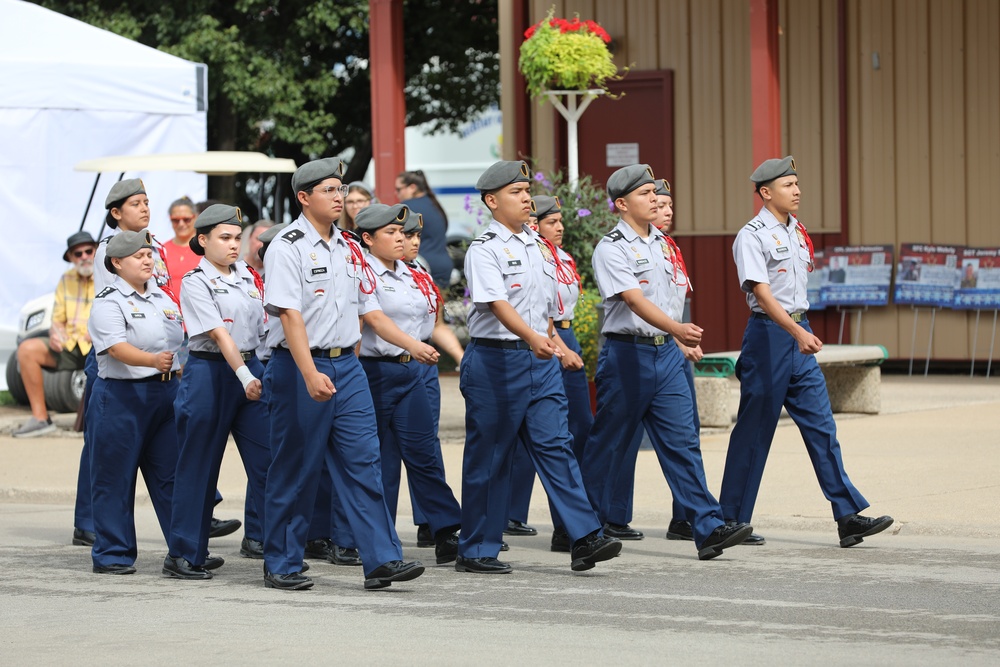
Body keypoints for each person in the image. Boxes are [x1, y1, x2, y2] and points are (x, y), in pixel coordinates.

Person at [261, 157, 424, 591]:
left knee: (363, 461)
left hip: (348, 367)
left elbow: (370, 310)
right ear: (303, 197)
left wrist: (413, 345)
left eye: (340, 189)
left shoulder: (350, 246)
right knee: (296, 467)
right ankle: (281, 561)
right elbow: (290, 316)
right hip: (299, 365)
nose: (338, 197)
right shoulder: (287, 246)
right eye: (329, 190)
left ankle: (381, 560)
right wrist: (310, 372)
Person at [580, 164, 753, 561]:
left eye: (653, 192)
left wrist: (675, 338)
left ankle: (707, 526)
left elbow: (669, 296)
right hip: (628, 354)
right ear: (621, 204)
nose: (655, 199)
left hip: (666, 355)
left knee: (682, 441)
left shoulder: (663, 243)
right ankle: (581, 527)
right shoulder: (612, 247)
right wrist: (678, 328)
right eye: (644, 194)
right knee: (610, 444)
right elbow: (634, 301)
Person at [719, 156, 894, 547]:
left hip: (799, 331)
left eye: (797, 183)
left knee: (822, 425)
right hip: (769, 337)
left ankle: (847, 515)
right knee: (755, 430)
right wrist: (796, 330)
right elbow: (760, 293)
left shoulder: (796, 230)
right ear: (766, 193)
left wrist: (801, 329)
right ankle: (730, 519)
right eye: (788, 185)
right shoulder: (753, 235)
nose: (797, 191)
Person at [458, 160, 621, 575]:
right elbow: (497, 304)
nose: (527, 197)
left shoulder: (537, 244)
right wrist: (534, 339)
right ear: (492, 201)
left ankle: (584, 536)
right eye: (516, 192)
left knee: (556, 445)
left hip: (539, 359)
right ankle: (476, 547)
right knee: (491, 457)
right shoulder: (485, 249)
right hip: (496, 361)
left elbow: (541, 307)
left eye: (527, 190)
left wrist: (551, 341)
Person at [164, 204, 271, 580]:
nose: (233, 245)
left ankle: (280, 552)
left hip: (251, 367)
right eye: (224, 238)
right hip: (213, 373)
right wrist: (244, 375)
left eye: (237, 238)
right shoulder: (196, 281)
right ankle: (184, 553)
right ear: (203, 240)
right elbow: (219, 334)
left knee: (268, 462)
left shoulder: (247, 275)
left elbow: (264, 325)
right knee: (199, 466)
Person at [354, 203, 462, 564]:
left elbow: (433, 321)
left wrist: (452, 356)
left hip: (411, 372)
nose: (402, 238)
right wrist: (415, 346)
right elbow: (375, 319)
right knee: (378, 461)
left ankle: (446, 530)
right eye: (392, 233)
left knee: (424, 454)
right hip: (375, 373)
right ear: (368, 239)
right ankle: (379, 545)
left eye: (404, 232)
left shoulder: (413, 272)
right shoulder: (361, 272)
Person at [87, 230, 185, 574]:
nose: (148, 260)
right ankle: (113, 553)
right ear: (117, 263)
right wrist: (152, 361)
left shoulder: (163, 297)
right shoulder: (108, 300)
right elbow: (114, 347)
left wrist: (179, 366)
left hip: (164, 395)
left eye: (149, 254)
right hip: (122, 397)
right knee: (114, 477)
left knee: (172, 475)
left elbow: (179, 340)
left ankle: (184, 552)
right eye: (139, 256)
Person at [504, 196, 595, 550]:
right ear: (533, 225)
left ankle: (570, 521)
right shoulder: (532, 257)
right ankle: (515, 514)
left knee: (576, 426)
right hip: (544, 336)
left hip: (565, 335)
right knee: (539, 432)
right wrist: (558, 344)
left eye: (560, 221)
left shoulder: (563, 258)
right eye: (551, 222)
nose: (559, 227)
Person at [13, 231, 97, 438]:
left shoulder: (109, 274)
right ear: (70, 257)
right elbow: (57, 319)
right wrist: (55, 334)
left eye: (89, 251)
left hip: (99, 344)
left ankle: (111, 421)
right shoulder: (66, 279)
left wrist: (96, 332)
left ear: (96, 251)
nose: (84, 257)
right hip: (70, 346)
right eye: (78, 254)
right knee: (26, 350)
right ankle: (41, 419)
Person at [395, 170, 453, 292]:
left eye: (399, 189)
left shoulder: (408, 208)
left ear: (412, 187)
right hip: (443, 266)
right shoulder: (433, 203)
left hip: (423, 268)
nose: (397, 193)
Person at [162, 197, 201, 294]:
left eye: (186, 219)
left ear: (195, 217)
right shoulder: (162, 250)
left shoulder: (205, 248)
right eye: (175, 220)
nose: (181, 224)